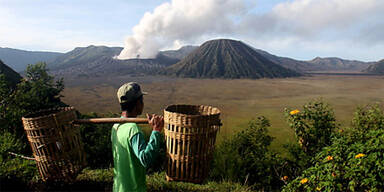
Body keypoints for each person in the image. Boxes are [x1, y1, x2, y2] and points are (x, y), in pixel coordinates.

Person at [111, 82, 164, 192]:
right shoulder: (133, 129)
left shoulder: (115, 126)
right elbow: (145, 159)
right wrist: (156, 131)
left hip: (118, 188)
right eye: (142, 100)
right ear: (138, 104)